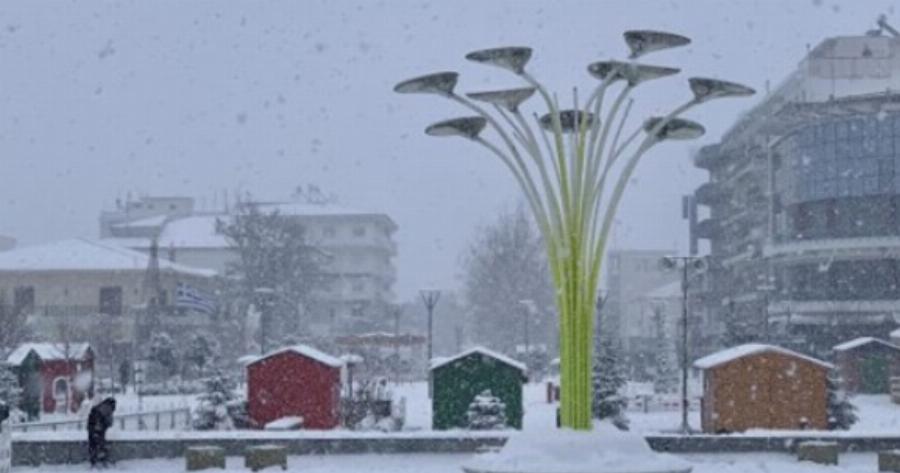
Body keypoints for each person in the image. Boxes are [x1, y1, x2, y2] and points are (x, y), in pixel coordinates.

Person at [87, 397, 116, 467]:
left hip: (93, 429)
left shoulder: (98, 407)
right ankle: (101, 460)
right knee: (100, 445)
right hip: (98, 430)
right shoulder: (106, 408)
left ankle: (94, 460)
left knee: (94, 445)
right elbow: (109, 422)